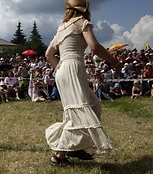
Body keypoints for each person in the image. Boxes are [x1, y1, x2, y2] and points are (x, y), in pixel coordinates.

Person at [44, 0, 117, 166]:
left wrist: (60, 68)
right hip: (73, 67)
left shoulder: (61, 28)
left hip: (62, 69)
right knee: (79, 112)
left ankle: (77, 147)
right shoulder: (82, 22)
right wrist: (114, 62)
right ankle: (59, 156)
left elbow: (48, 54)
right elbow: (95, 47)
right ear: (85, 8)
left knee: (92, 105)